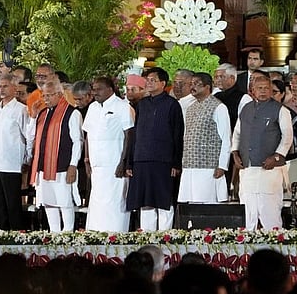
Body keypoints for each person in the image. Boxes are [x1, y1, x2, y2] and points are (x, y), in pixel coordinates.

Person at [126, 67, 184, 231]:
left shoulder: (172, 105)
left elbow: (177, 135)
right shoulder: (142, 104)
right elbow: (135, 134)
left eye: (153, 80)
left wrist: (176, 163)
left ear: (163, 83)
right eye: (148, 80)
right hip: (142, 159)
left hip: (163, 160)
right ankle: (147, 238)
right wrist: (130, 163)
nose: (149, 83)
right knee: (145, 201)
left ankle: (165, 238)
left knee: (164, 201)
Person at [232, 75, 292, 231]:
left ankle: (274, 242)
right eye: (260, 88)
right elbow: (237, 134)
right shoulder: (246, 109)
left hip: (270, 168)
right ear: (252, 91)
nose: (264, 91)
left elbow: (287, 137)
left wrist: (276, 156)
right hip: (247, 167)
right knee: (248, 206)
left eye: (267, 88)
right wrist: (235, 154)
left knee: (269, 207)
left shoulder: (281, 110)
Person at [31, 80, 83, 232]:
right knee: (49, 202)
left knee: (65, 202)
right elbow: (33, 136)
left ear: (60, 95)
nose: (45, 99)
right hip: (44, 166)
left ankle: (67, 234)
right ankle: (54, 233)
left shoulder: (72, 113)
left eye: (49, 95)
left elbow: (77, 141)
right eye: (44, 95)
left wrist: (73, 164)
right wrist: (33, 116)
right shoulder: (42, 113)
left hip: (63, 166)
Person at [83, 76, 133, 232]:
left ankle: (115, 238)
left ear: (110, 90)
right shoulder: (92, 108)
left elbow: (129, 135)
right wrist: (87, 160)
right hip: (97, 166)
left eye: (99, 89)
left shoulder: (122, 106)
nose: (95, 92)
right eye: (93, 89)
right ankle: (95, 238)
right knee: (97, 205)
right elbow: (87, 135)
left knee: (115, 205)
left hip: (115, 165)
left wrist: (123, 162)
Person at [177, 72, 231, 204]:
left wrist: (222, 165)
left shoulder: (219, 107)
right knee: (191, 206)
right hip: (190, 165)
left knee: (208, 205)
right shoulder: (191, 108)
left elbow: (226, 138)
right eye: (191, 84)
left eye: (197, 84)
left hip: (209, 166)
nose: (193, 87)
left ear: (207, 87)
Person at [0, 74, 33, 230]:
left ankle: (16, 235)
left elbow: (28, 136)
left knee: (12, 205)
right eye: (0, 86)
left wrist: (27, 159)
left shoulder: (21, 110)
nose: (2, 89)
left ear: (15, 88)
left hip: (13, 164)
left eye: (6, 86)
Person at [213, 64, 243, 129]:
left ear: (232, 78)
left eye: (221, 77)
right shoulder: (214, 96)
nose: (218, 80)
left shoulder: (243, 97)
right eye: (216, 77)